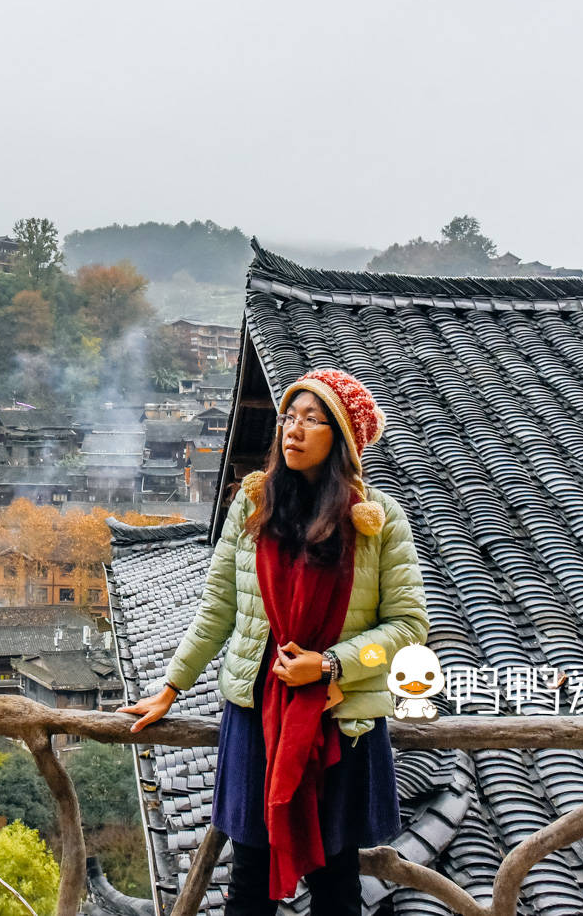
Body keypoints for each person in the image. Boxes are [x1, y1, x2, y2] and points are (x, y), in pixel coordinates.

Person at [119, 368, 429, 916]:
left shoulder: (376, 521)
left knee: (337, 887)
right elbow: (218, 608)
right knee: (248, 883)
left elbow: (408, 631)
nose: (293, 429)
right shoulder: (252, 507)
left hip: (339, 721)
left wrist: (331, 665)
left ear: (343, 439)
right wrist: (170, 686)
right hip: (257, 715)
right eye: (290, 416)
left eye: (313, 419)